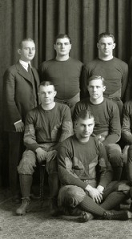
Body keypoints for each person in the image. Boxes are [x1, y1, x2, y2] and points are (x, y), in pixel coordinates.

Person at [57, 109, 131, 222]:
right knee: (73, 193)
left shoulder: (97, 144)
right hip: (74, 188)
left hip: (95, 188)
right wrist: (89, 189)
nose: (87, 129)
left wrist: (100, 188)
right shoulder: (65, 145)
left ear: (93, 125)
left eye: (90, 125)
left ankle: (92, 212)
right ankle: (107, 214)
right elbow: (65, 175)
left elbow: (107, 170)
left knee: (125, 186)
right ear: (76, 125)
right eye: (83, 125)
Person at [15, 81, 72, 216]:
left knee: (53, 165)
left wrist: (55, 149)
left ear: (54, 93)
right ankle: (25, 201)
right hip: (37, 146)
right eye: (43, 93)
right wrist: (37, 149)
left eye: (49, 92)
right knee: (25, 163)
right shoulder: (32, 113)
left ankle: (52, 201)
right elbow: (28, 137)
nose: (46, 96)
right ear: (38, 94)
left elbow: (67, 134)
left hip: (57, 146)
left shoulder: (64, 109)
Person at [3, 38, 40, 199]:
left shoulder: (34, 71)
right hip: (17, 123)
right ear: (19, 51)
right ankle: (15, 192)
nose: (31, 51)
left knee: (28, 156)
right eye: (27, 49)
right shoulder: (12, 71)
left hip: (32, 122)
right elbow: (8, 99)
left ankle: (27, 190)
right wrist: (17, 120)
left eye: (32, 48)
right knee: (16, 156)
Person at [73, 76, 124, 181]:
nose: (94, 90)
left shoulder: (112, 106)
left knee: (116, 154)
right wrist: (92, 142)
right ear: (87, 88)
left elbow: (116, 133)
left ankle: (114, 184)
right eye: (91, 87)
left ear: (103, 88)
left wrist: (101, 145)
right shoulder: (80, 105)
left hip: (107, 142)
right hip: (85, 140)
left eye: (97, 87)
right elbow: (76, 129)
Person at [83, 32, 128, 116]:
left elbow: (124, 88)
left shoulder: (123, 66)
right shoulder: (89, 66)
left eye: (109, 44)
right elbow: (85, 89)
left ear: (113, 46)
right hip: (95, 105)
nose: (106, 47)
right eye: (103, 44)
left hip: (116, 106)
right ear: (98, 45)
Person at [39, 34, 83, 111]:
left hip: (74, 102)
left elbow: (83, 86)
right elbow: (41, 85)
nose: (63, 46)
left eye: (66, 44)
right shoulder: (45, 66)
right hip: (53, 102)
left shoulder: (79, 65)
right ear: (54, 46)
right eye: (59, 44)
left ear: (70, 46)